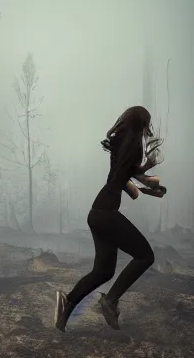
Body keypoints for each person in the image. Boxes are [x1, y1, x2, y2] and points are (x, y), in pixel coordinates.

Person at [55, 105, 166, 332]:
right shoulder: (133, 147)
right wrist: (148, 175)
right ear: (141, 124)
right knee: (145, 255)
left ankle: (66, 304)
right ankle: (110, 301)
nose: (149, 129)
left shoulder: (123, 148)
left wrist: (149, 187)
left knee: (103, 271)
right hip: (106, 214)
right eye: (147, 124)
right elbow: (128, 177)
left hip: (98, 213)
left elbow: (124, 182)